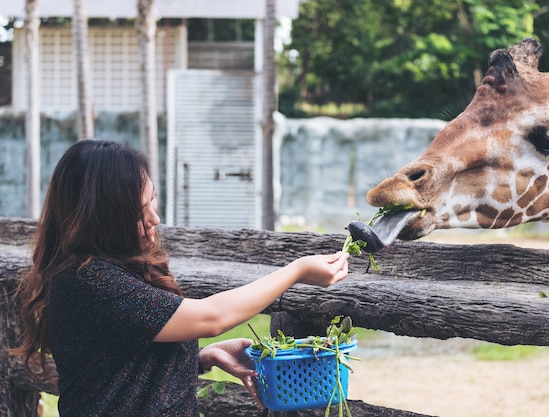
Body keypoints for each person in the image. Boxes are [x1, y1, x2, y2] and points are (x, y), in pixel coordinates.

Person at [12, 139, 350, 416]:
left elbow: (118, 370)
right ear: (103, 218)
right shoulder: (90, 281)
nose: (155, 219)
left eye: (153, 201)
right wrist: (296, 271)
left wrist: (202, 357)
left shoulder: (101, 272)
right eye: (139, 212)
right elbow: (210, 317)